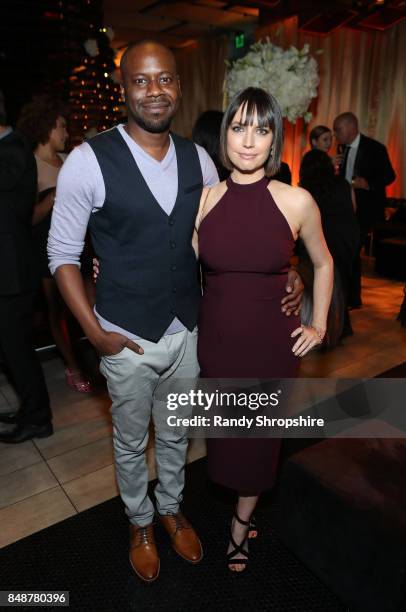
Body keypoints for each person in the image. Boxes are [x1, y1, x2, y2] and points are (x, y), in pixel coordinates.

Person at [48, 41, 304, 582]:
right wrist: (93, 332)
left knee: (176, 432)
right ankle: (139, 519)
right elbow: (62, 255)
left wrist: (291, 269)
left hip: (190, 330)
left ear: (179, 87)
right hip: (124, 335)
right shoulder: (87, 160)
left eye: (164, 79)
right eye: (141, 81)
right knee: (128, 436)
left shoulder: (202, 159)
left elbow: (235, 233)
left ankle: (170, 508)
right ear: (123, 91)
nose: (154, 90)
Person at [194, 87, 333, 572]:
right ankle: (240, 506)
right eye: (239, 127)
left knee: (257, 442)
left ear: (274, 139)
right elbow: (177, 264)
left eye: (261, 129)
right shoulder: (205, 198)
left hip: (272, 345)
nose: (248, 141)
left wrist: (317, 324)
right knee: (228, 437)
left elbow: (323, 260)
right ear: (225, 133)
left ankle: (239, 525)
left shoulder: (296, 200)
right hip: (216, 343)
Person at [17, 96, 92, 393]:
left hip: (80, 243)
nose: (65, 132)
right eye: (61, 126)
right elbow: (27, 218)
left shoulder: (68, 160)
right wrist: (54, 196)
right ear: (46, 127)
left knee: (92, 305)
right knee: (58, 312)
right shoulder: (29, 165)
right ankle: (73, 366)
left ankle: (104, 360)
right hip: (45, 249)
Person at [0, 92, 52, 444]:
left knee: (15, 347)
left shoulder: (14, 150)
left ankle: (38, 418)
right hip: (8, 268)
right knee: (10, 347)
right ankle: (30, 409)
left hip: (13, 270)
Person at [333, 112, 396, 307]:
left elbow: (389, 177)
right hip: (346, 207)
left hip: (365, 210)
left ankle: (350, 298)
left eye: (338, 130)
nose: (336, 134)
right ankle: (349, 297)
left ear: (351, 127)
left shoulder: (375, 148)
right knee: (348, 251)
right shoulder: (341, 147)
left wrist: (367, 183)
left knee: (351, 250)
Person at [299, 149, 360, 341]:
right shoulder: (342, 183)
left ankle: (321, 329)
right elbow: (353, 208)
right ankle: (341, 327)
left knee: (319, 283)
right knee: (340, 282)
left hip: (322, 237)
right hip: (346, 237)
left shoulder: (305, 188)